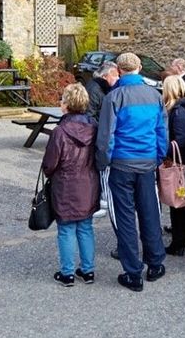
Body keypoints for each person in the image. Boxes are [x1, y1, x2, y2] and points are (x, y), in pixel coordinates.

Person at [96, 53, 168, 292]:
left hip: (122, 163)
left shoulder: (114, 96)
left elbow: (106, 135)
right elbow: (161, 131)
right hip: (146, 161)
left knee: (125, 217)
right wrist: (157, 157)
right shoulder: (154, 95)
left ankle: (133, 271)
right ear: (138, 67)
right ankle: (155, 263)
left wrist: (103, 161)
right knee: (150, 213)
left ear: (119, 69)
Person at [42, 84, 99, 287]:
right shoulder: (94, 127)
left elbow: (50, 163)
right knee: (85, 227)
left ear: (66, 104)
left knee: (66, 229)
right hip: (88, 182)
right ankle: (88, 269)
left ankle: (67, 273)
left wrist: (49, 172)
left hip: (66, 185)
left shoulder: (60, 131)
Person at [162, 75, 185, 256]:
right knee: (179, 201)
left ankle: (180, 240)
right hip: (182, 160)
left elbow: (181, 139)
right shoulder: (183, 107)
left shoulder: (179, 110)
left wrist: (163, 149)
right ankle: (183, 238)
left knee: (178, 202)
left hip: (179, 161)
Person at [85, 61, 119, 219]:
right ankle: (94, 200)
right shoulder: (94, 89)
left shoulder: (103, 88)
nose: (118, 78)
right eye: (115, 75)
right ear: (106, 76)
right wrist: (103, 128)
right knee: (95, 168)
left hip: (100, 133)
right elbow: (89, 115)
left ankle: (100, 196)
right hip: (95, 134)